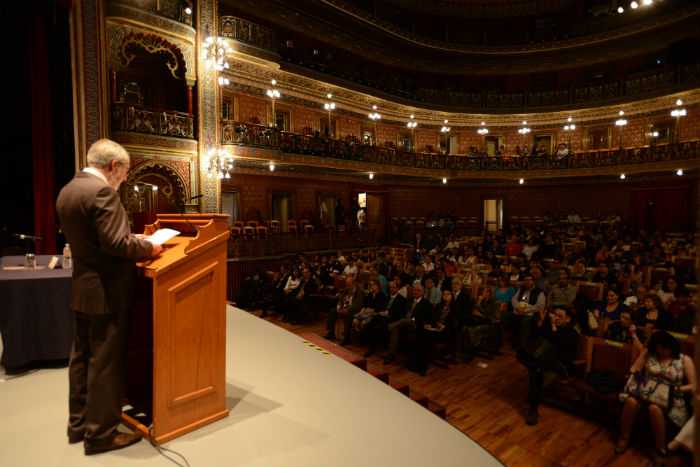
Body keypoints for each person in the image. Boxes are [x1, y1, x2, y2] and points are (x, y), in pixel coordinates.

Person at [56, 139, 162, 455]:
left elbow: (96, 239)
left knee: (81, 360)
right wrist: (148, 246)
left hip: (84, 291)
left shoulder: (69, 190)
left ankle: (78, 426)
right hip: (108, 295)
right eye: (126, 171)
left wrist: (130, 237)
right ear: (113, 166)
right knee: (105, 366)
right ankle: (100, 436)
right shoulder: (102, 192)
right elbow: (117, 245)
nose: (125, 178)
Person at [616, 331, 696, 466]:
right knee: (631, 401)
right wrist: (638, 377)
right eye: (658, 348)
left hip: (670, 396)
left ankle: (660, 448)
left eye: (663, 348)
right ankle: (625, 436)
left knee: (655, 408)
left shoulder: (684, 360)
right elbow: (634, 368)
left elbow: (694, 385)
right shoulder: (649, 354)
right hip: (646, 391)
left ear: (670, 347)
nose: (661, 351)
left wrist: (677, 389)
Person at [517, 307, 579, 426]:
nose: (555, 318)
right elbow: (534, 336)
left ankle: (533, 410)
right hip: (545, 358)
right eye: (554, 315)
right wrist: (540, 321)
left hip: (560, 363)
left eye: (559, 316)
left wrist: (554, 327)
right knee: (522, 353)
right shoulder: (550, 327)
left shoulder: (573, 333)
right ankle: (535, 367)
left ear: (568, 319)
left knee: (537, 373)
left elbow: (560, 345)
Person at [384, 284, 432, 365]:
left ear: (423, 293)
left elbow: (426, 318)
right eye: (414, 290)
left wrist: (413, 319)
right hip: (404, 323)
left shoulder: (426, 303)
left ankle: (388, 327)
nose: (416, 291)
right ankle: (391, 355)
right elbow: (404, 313)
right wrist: (405, 318)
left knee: (406, 321)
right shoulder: (409, 301)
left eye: (418, 290)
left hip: (416, 325)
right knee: (396, 330)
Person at [325, 276, 365, 346]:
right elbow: (341, 299)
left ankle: (346, 337)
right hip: (344, 307)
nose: (347, 287)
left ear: (353, 284)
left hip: (353, 310)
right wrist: (339, 307)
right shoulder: (347, 289)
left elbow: (357, 305)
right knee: (332, 311)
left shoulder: (360, 292)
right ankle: (331, 332)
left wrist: (346, 310)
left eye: (349, 285)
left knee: (347, 315)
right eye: (347, 285)